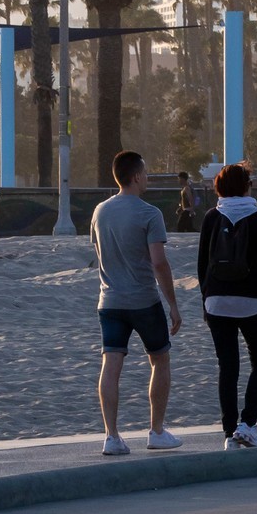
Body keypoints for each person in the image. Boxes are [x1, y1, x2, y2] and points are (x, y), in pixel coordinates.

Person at [89, 150, 183, 457]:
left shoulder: (100, 211)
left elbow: (99, 252)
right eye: (145, 172)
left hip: (109, 300)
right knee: (160, 359)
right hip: (143, 300)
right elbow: (159, 263)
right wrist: (173, 303)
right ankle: (156, 431)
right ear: (136, 176)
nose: (148, 177)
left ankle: (111, 436)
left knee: (111, 363)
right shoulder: (149, 213)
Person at [197, 161, 257, 449]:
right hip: (250, 301)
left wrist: (205, 300)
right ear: (246, 186)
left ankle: (228, 434)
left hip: (217, 300)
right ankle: (247, 424)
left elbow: (202, 264)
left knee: (228, 367)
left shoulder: (212, 216)